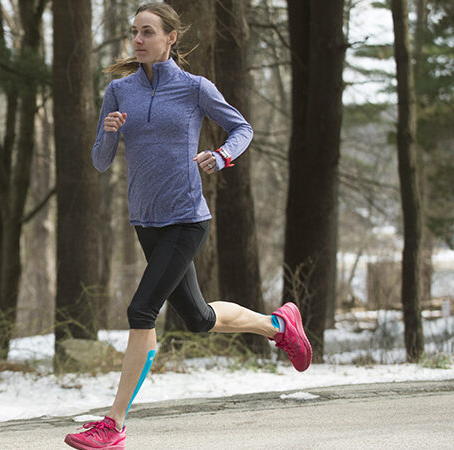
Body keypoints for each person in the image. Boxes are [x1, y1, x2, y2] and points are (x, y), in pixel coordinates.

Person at [63, 4, 312, 450]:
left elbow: (242, 128)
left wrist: (220, 156)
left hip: (186, 218)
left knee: (141, 311)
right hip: (146, 220)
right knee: (198, 318)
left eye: (148, 32)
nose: (138, 40)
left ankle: (113, 424)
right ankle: (279, 324)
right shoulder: (120, 92)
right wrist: (108, 131)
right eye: (134, 32)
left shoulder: (195, 88)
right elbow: (100, 161)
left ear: (171, 37)